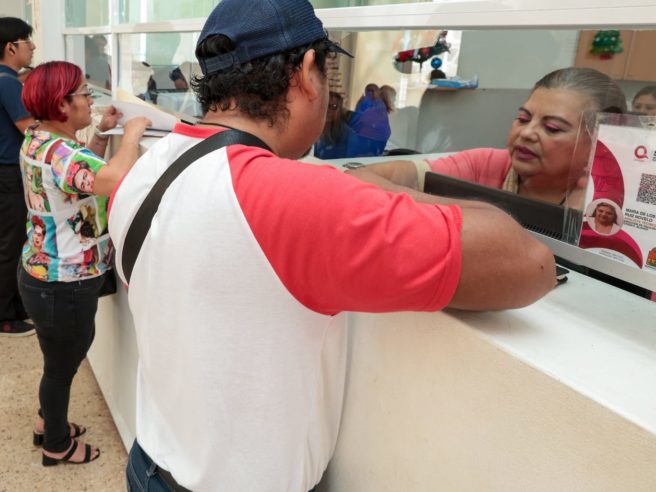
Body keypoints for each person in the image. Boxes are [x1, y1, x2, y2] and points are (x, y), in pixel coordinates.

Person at [108, 0, 555, 490]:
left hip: (148, 465)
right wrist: (384, 188)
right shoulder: (294, 200)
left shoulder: (144, 171)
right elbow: (530, 265)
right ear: (306, 73)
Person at [18, 60, 151, 466]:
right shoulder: (61, 152)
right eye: (84, 94)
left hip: (43, 274)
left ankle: (47, 423)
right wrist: (132, 134)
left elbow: (80, 177)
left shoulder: (40, 140)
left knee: (57, 361)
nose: (90, 101)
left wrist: (103, 133)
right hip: (64, 283)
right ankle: (56, 445)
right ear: (62, 104)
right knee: (61, 367)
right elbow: (111, 179)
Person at [349, 67, 627, 208]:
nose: (527, 133)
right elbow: (362, 179)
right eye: (523, 119)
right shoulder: (485, 164)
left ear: (599, 143)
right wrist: (475, 212)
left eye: (552, 128)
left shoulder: (612, 203)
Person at [0, 17, 37, 337]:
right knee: (9, 246)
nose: (33, 47)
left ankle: (15, 306)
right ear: (11, 47)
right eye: (28, 41)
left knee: (11, 243)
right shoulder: (8, 83)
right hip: (6, 173)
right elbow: (30, 130)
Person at [314, 91, 355, 159]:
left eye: (333, 106)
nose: (328, 110)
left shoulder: (348, 134)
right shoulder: (312, 129)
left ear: (340, 110)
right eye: (324, 106)